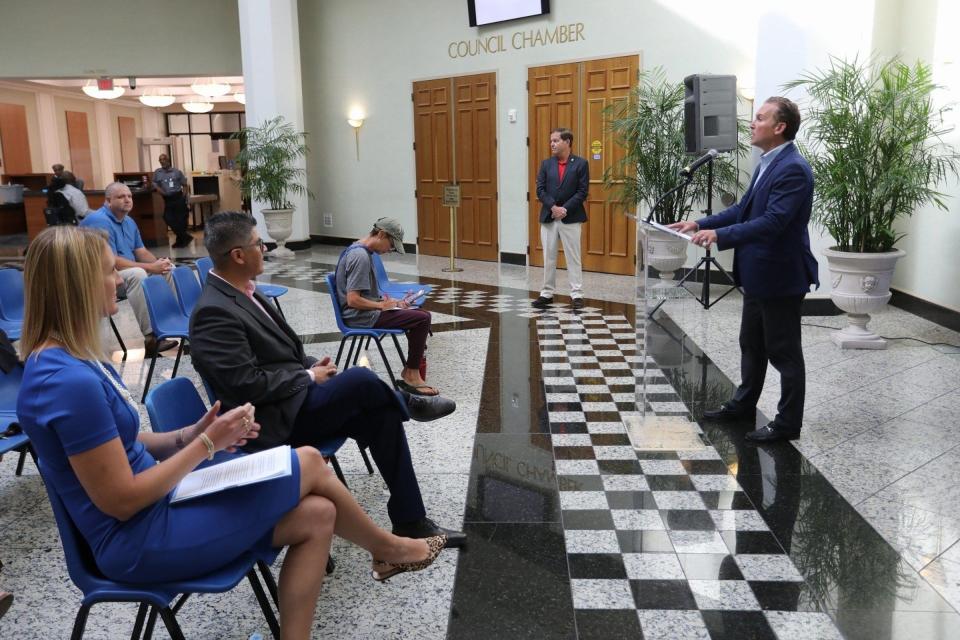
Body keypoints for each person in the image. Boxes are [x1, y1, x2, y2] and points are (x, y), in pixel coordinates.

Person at [17, 226, 445, 639]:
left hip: (160, 508)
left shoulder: (72, 361)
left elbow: (121, 446)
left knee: (319, 514)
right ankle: (391, 549)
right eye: (108, 271)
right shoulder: (66, 381)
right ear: (77, 284)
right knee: (311, 460)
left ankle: (367, 569)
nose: (119, 280)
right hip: (137, 541)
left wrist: (188, 434)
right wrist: (206, 445)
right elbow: (122, 499)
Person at [190, 212, 465, 548]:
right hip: (271, 422)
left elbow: (280, 354)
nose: (263, 249)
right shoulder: (213, 311)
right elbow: (247, 385)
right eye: (258, 244)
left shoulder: (245, 291)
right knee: (361, 381)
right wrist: (308, 375)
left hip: (292, 402)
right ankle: (407, 401)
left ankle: (411, 520)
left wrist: (308, 364)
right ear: (238, 255)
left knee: (380, 414)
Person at [669, 96, 818, 443]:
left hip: (780, 276)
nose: (752, 123)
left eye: (760, 118)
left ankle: (787, 424)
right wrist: (698, 223)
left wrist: (718, 235)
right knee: (751, 344)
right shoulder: (768, 162)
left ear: (779, 127)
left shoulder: (792, 168)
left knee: (783, 351)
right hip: (757, 275)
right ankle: (743, 405)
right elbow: (743, 211)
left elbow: (773, 222)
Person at [336, 218, 438, 396]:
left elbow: (363, 295)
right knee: (423, 319)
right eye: (391, 245)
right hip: (360, 317)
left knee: (418, 314)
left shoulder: (359, 250)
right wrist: (381, 305)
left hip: (366, 312)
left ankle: (411, 371)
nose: (389, 251)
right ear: (381, 234)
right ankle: (411, 374)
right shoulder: (360, 257)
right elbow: (353, 300)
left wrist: (395, 304)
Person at [80, 182, 178, 355]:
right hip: (101, 278)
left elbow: (140, 251)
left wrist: (159, 264)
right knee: (138, 274)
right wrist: (150, 267)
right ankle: (151, 337)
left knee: (167, 269)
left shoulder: (128, 221)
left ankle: (169, 324)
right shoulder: (98, 221)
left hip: (120, 273)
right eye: (121, 197)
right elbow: (111, 262)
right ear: (108, 201)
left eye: (129, 196)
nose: (127, 200)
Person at [533, 127, 589, 310]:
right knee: (548, 257)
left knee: (573, 257)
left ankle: (577, 294)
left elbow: (582, 192)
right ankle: (546, 293)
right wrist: (553, 207)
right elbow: (540, 189)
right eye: (551, 141)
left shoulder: (581, 164)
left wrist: (564, 209)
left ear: (567, 142)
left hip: (571, 217)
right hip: (549, 217)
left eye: (556, 141)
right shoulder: (546, 164)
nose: (552, 144)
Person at [153, 153, 192, 248]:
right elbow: (154, 183)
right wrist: (160, 191)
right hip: (167, 199)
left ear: (168, 160)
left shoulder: (177, 172)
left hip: (178, 197)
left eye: (164, 159)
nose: (162, 161)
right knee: (167, 218)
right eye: (160, 160)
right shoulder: (158, 172)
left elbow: (185, 185)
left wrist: (184, 197)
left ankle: (180, 241)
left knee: (180, 220)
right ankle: (186, 237)